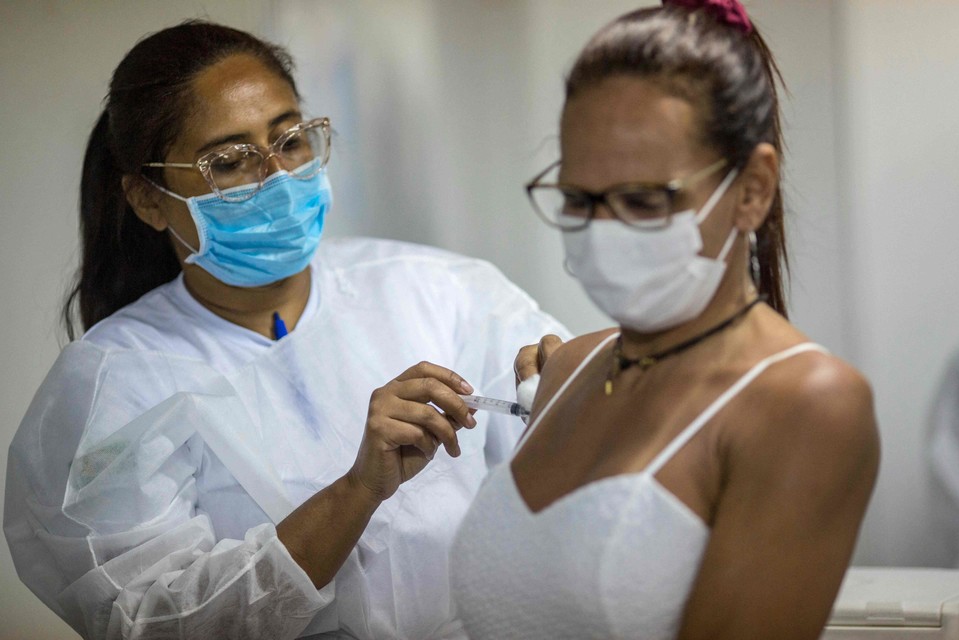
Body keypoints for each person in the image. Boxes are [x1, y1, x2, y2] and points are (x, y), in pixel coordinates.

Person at [3, 21, 567, 640]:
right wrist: (356, 492)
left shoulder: (440, 289)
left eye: (290, 140)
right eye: (230, 160)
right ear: (147, 198)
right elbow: (151, 620)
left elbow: (571, 465)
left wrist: (576, 391)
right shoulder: (113, 382)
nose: (275, 178)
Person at [451, 2, 880, 639]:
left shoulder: (807, 404)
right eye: (577, 198)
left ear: (752, 189)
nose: (601, 232)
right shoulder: (568, 367)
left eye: (644, 200)